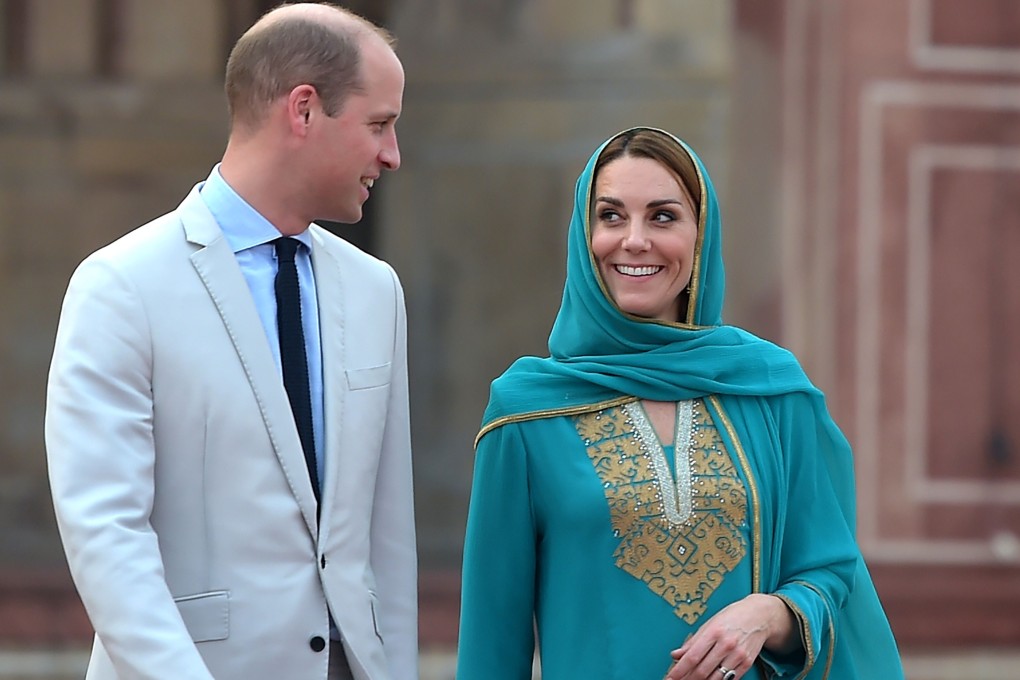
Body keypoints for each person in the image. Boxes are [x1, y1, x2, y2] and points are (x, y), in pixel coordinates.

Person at [44, 4, 416, 679]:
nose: (392, 154)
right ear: (303, 110)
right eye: (379, 125)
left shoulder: (375, 289)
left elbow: (385, 540)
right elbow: (106, 533)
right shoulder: (121, 285)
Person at [456, 127, 903, 680]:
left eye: (662, 217)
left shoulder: (770, 389)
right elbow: (490, 642)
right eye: (611, 216)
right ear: (584, 232)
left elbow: (828, 569)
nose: (634, 240)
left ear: (701, 236)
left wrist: (769, 614)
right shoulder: (525, 412)